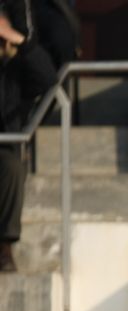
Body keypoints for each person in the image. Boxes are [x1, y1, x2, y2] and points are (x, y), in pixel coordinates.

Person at [0, 6, 54, 272]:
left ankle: (4, 247)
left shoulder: (14, 67)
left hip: (4, 143)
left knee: (12, 167)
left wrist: (18, 39)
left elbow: (48, 79)